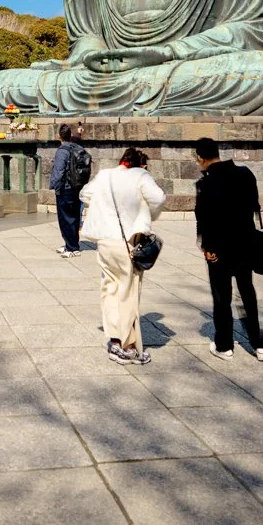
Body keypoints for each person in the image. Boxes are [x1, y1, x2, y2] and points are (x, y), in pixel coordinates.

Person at [81, 147, 166, 365]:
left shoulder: (105, 175)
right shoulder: (141, 176)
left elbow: (85, 194)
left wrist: (104, 209)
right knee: (128, 291)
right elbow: (158, 198)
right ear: (141, 164)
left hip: (105, 241)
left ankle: (115, 341)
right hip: (128, 240)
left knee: (109, 289)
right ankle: (129, 347)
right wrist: (144, 214)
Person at [193, 137, 263, 361]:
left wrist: (206, 247)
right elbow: (255, 205)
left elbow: (203, 218)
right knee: (247, 292)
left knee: (222, 296)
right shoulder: (245, 174)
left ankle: (224, 345)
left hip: (218, 249)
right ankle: (258, 344)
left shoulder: (205, 183)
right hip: (245, 243)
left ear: (200, 159)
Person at [48, 124, 90, 257]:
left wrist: (54, 185)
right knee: (75, 216)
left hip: (65, 188)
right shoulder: (77, 147)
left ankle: (71, 248)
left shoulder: (62, 150)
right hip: (77, 186)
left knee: (65, 218)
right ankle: (71, 245)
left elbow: (59, 172)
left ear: (59, 136)